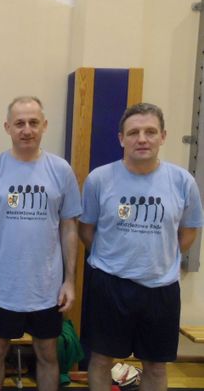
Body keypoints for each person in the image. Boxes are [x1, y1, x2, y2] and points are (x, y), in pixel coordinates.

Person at [79, 103, 203, 391]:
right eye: (134, 132)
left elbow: (189, 232)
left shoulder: (182, 181)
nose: (142, 139)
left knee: (156, 365)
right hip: (109, 284)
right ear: (121, 138)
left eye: (150, 132)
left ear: (163, 136)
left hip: (161, 288)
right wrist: (116, 257)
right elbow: (86, 230)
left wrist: (158, 257)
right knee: (100, 360)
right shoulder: (99, 179)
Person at [0, 96, 81, 391]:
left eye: (33, 122)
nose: (26, 130)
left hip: (47, 288)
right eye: (19, 123)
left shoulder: (61, 170)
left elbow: (69, 229)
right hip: (2, 287)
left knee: (48, 353)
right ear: (7, 127)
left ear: (44, 125)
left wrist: (69, 281)